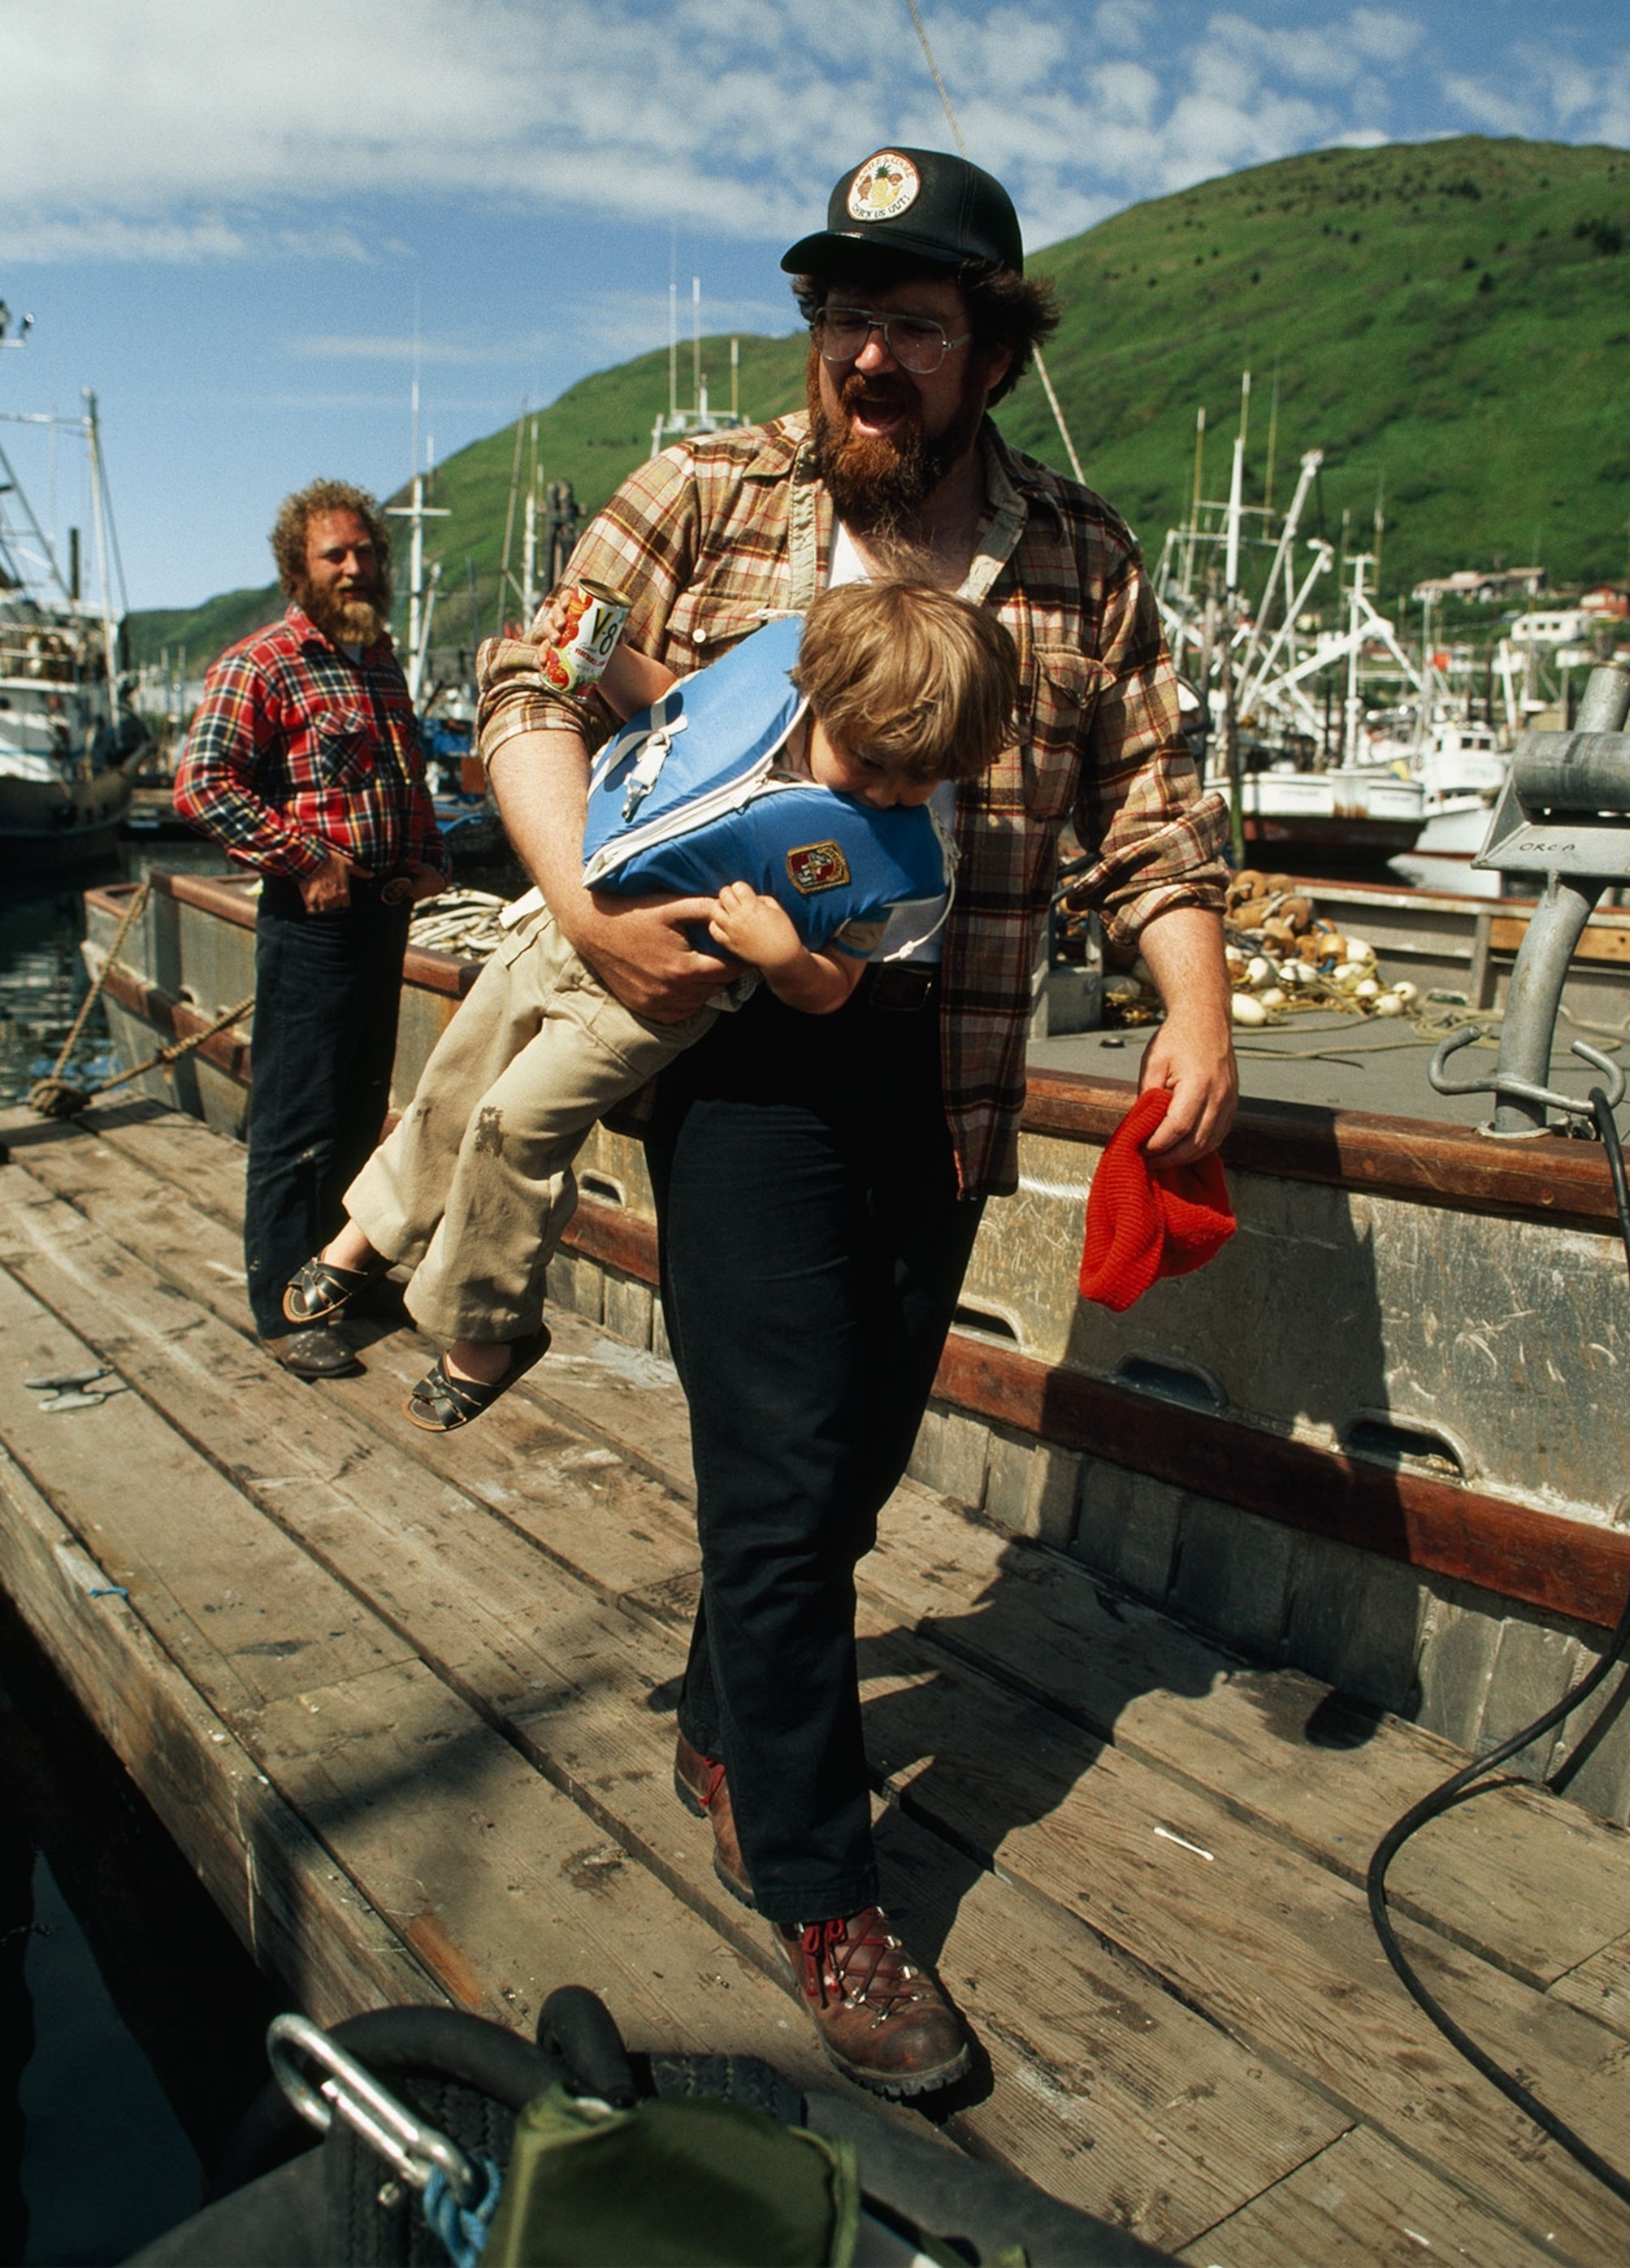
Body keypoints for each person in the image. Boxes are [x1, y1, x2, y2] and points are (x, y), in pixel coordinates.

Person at [476, 145, 1236, 2098]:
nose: (864, 354)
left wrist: (1195, 1007)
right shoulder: (706, 488)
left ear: (988, 343)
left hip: (947, 1068)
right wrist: (581, 906)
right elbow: (529, 682)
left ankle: (731, 1719)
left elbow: (1146, 818)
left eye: (909, 319)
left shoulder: (1082, 554)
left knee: (851, 1458)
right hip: (737, 1060)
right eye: (840, 314)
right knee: (785, 1464)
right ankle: (822, 1882)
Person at [283, 579, 1019, 1434]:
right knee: (457, 1073)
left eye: (921, 777)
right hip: (559, 928)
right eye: (869, 764)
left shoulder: (882, 857)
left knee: (512, 1126)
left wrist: (784, 956)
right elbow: (668, 701)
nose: (890, 795)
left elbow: (836, 987)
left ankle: (487, 1332)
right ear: (818, 698)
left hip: (646, 1001)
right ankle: (364, 1239)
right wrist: (597, 653)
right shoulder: (767, 713)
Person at [174, 480, 448, 1379]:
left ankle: (334, 1278)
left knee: (356, 1107)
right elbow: (204, 783)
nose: (357, 566)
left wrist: (428, 855)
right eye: (336, 555)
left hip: (382, 920)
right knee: (296, 1116)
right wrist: (306, 860)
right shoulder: (264, 662)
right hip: (313, 924)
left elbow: (403, 775)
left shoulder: (379, 657)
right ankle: (283, 1313)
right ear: (299, 569)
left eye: (366, 552)